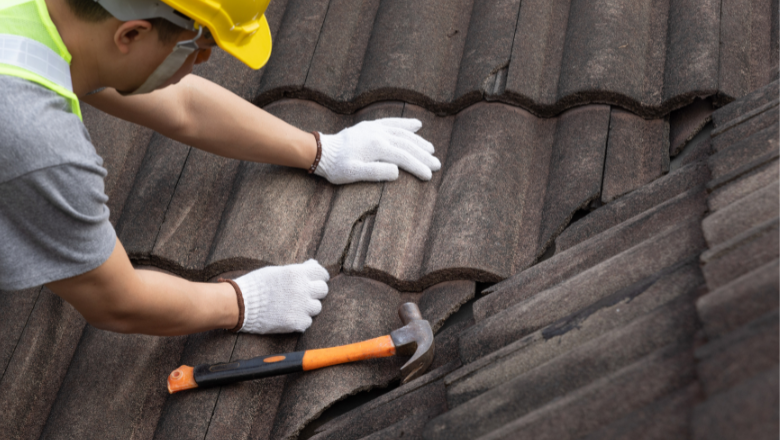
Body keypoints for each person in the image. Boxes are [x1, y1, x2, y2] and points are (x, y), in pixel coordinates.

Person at [0, 0, 440, 336]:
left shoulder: (46, 21)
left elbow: (183, 106)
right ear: (130, 33)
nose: (203, 63)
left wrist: (320, 150)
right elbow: (116, 299)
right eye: (200, 46)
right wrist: (241, 301)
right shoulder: (38, 140)